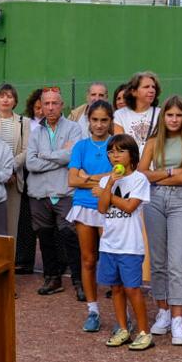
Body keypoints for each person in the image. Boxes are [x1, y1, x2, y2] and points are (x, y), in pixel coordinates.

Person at [139, 95, 182, 345]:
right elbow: (142, 173)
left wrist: (159, 176)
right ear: (163, 116)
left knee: (177, 261)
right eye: (170, 114)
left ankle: (178, 319)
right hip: (154, 201)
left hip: (181, 201)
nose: (174, 119)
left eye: (178, 115)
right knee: (158, 261)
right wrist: (169, 172)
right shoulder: (154, 141)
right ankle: (163, 311)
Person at [95, 134, 153, 350]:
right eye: (111, 151)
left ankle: (144, 332)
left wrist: (106, 194)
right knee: (116, 289)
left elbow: (130, 207)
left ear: (132, 155)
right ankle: (123, 329)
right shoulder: (105, 181)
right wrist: (109, 184)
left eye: (120, 151)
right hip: (109, 245)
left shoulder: (139, 179)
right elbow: (101, 208)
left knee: (132, 289)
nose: (115, 155)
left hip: (131, 246)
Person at [25, 87, 84, 298]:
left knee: (70, 235)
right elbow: (31, 163)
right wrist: (58, 158)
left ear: (62, 105)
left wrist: (46, 155)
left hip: (64, 191)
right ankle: (52, 278)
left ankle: (79, 281)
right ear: (41, 106)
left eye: (54, 103)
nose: (50, 108)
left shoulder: (74, 129)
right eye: (46, 104)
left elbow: (72, 156)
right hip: (39, 193)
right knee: (45, 237)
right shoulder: (35, 132)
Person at [66, 100, 114, 332]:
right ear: (88, 121)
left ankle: (121, 316)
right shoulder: (81, 147)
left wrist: (88, 177)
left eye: (104, 120)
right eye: (94, 120)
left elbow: (118, 177)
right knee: (88, 260)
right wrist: (103, 178)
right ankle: (93, 311)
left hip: (110, 208)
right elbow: (72, 180)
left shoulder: (116, 146)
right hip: (83, 206)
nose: (99, 124)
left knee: (112, 260)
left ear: (110, 121)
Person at [0, 84, 34, 271]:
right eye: (2, 96)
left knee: (11, 228)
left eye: (9, 96)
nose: (5, 99)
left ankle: (7, 273)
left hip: (13, 180)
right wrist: (0, 173)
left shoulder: (23, 122)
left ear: (15, 101)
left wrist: (10, 169)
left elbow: (27, 150)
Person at [113, 71, 161, 150]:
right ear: (134, 91)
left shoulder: (161, 113)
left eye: (153, 87)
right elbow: (120, 145)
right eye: (146, 87)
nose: (152, 90)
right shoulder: (120, 115)